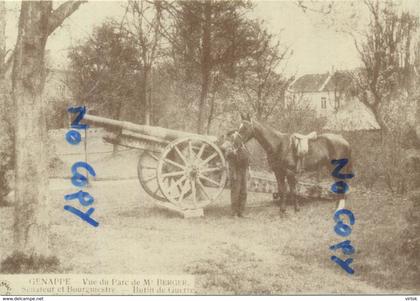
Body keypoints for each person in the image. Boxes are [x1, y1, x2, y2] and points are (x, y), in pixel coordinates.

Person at [219, 130, 250, 218]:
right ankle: (234, 213)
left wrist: (249, 171)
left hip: (244, 170)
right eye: (234, 135)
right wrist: (231, 151)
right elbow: (226, 154)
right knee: (235, 192)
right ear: (230, 136)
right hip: (235, 170)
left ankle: (241, 212)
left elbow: (247, 159)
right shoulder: (228, 145)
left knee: (244, 192)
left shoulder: (243, 146)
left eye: (237, 135)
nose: (236, 136)